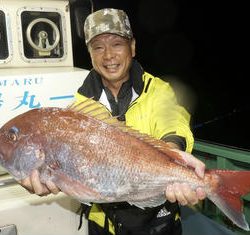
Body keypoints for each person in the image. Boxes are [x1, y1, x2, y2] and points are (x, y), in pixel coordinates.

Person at [20, 8, 206, 235]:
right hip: (104, 223)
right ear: (90, 54)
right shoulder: (80, 108)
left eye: (117, 44)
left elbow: (173, 121)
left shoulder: (158, 90)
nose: (108, 55)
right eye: (98, 47)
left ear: (133, 47)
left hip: (158, 221)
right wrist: (45, 176)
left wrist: (173, 154)